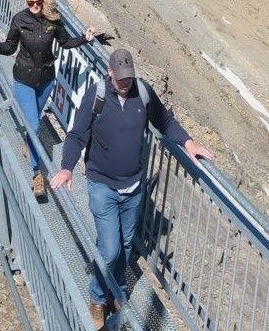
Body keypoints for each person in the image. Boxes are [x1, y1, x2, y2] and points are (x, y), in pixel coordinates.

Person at [42, 46, 217, 327]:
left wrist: (188, 142)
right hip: (102, 185)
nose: (125, 83)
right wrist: (67, 166)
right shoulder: (97, 95)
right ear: (109, 73)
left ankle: (118, 290)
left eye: (128, 78)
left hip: (133, 187)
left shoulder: (143, 93)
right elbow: (77, 134)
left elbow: (165, 120)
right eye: (120, 78)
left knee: (124, 244)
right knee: (110, 248)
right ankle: (98, 298)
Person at [0, 0, 87, 140]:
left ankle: (28, 143)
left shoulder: (53, 19)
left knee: (35, 117)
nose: (35, 6)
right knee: (35, 126)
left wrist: (85, 38)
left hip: (46, 80)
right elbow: (10, 47)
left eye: (38, 2)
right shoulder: (19, 19)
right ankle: (34, 163)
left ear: (43, 1)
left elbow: (65, 42)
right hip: (24, 80)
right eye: (31, 3)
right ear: (26, 2)